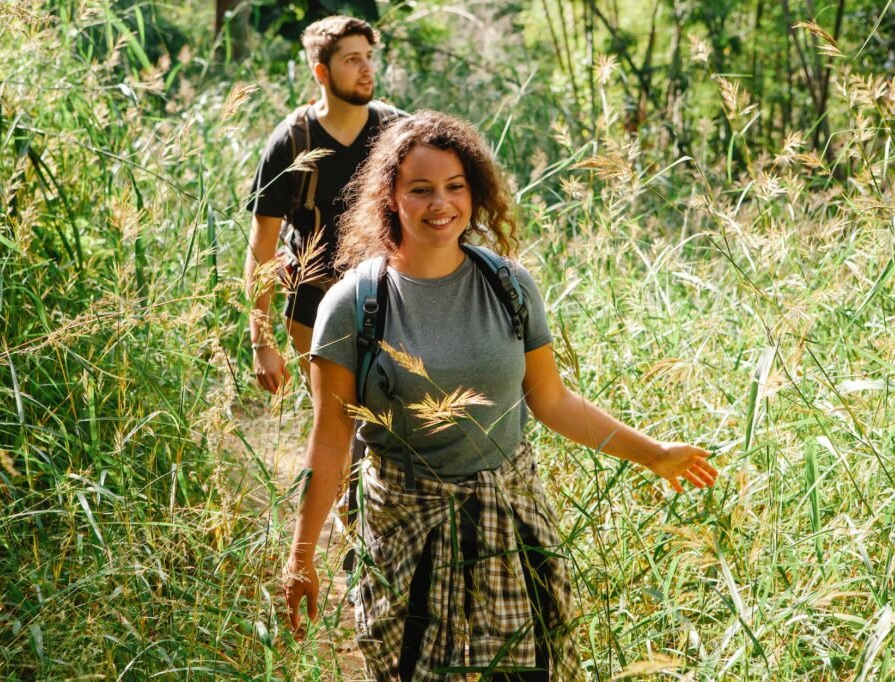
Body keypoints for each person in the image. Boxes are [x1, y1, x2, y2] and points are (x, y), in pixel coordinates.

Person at [282, 111, 720, 681]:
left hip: (510, 523)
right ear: (391, 196)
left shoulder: (509, 286)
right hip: (406, 534)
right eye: (421, 189)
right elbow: (331, 437)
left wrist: (654, 453)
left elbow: (553, 401)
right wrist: (302, 553)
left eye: (454, 187)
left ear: (474, 192)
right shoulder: (354, 304)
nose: (441, 204)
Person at [245, 15, 403, 394]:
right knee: (335, 420)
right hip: (312, 302)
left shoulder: (396, 131)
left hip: (388, 296)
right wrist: (261, 343)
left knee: (391, 418)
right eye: (351, 60)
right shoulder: (292, 140)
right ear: (321, 71)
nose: (367, 69)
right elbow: (261, 246)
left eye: (368, 56)